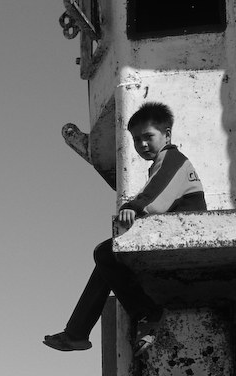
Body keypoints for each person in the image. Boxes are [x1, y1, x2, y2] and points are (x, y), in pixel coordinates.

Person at [44, 102, 206, 352]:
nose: (142, 144)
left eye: (148, 137)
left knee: (106, 254)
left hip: (186, 236)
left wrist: (134, 207)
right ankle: (76, 332)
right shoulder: (163, 162)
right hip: (173, 232)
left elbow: (157, 194)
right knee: (107, 255)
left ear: (167, 135)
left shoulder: (175, 160)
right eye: (136, 139)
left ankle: (147, 313)